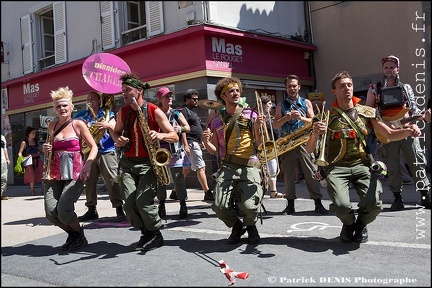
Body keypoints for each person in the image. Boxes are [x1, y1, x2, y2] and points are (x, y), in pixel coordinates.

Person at [306, 71, 421, 243]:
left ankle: (360, 225)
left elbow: (389, 133)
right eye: (342, 86)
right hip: (337, 167)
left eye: (349, 85)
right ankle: (349, 224)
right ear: (334, 91)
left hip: (362, 164)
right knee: (342, 206)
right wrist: (315, 134)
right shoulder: (325, 116)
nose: (347, 89)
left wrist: (408, 131)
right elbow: (309, 149)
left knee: (374, 204)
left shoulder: (367, 112)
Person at [111, 72, 179, 252]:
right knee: (129, 202)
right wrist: (117, 139)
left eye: (127, 90)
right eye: (122, 91)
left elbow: (174, 135)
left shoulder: (153, 110)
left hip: (149, 163)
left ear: (139, 90)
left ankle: (155, 233)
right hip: (127, 163)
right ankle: (146, 233)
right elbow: (115, 132)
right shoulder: (122, 112)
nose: (123, 94)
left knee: (142, 201)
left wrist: (160, 134)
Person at [203, 76, 265, 245]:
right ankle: (237, 226)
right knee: (218, 205)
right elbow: (214, 150)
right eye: (231, 91)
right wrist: (206, 141)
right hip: (228, 166)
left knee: (250, 206)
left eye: (237, 90)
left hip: (249, 165)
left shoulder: (251, 114)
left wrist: (259, 128)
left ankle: (251, 226)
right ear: (223, 96)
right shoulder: (216, 120)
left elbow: (260, 143)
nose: (236, 93)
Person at [366, 55, 431, 210]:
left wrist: (422, 119)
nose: (389, 70)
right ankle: (397, 198)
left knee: (417, 162)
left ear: (398, 69)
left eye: (392, 67)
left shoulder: (406, 88)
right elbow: (369, 111)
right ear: (383, 69)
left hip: (406, 129)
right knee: (392, 166)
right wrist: (381, 125)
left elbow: (413, 110)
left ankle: (425, 196)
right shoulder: (374, 88)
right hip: (386, 132)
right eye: (386, 67)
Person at [43, 86, 98, 251]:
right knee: (51, 212)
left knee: (64, 209)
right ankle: (75, 235)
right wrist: (46, 149)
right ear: (54, 109)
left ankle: (78, 236)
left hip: (76, 172)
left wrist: (88, 163)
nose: (62, 109)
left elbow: (93, 147)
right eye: (58, 106)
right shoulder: (52, 126)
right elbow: (49, 150)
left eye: (65, 105)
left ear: (71, 106)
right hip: (54, 172)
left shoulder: (78, 124)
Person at [273, 74, 328, 215]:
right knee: (288, 173)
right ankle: (290, 203)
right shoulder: (281, 105)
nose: (292, 88)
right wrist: (286, 117)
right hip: (287, 141)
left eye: (294, 86)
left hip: (304, 140)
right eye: (289, 86)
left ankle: (317, 202)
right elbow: (275, 125)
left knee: (310, 171)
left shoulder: (306, 102)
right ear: (286, 88)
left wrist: (300, 117)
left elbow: (314, 121)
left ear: (299, 87)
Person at [74, 91, 126, 222]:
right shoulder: (82, 116)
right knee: (89, 181)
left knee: (112, 180)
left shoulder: (108, 114)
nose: (90, 101)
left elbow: (116, 128)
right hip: (89, 153)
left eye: (92, 99)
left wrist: (107, 125)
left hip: (106, 151)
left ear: (98, 101)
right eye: (88, 99)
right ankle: (91, 209)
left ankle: (119, 208)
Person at [155, 87, 190, 219]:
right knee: (161, 180)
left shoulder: (176, 112)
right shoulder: (155, 112)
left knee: (179, 178)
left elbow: (187, 127)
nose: (169, 98)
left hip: (175, 150)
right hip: (160, 151)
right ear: (160, 99)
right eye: (166, 96)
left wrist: (179, 128)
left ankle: (182, 204)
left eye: (170, 96)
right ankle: (161, 204)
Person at [180, 89, 214, 201]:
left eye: (197, 99)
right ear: (186, 100)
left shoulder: (192, 112)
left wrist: (201, 142)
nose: (196, 101)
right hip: (190, 143)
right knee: (201, 166)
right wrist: (185, 145)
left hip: (195, 143)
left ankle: (176, 191)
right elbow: (183, 128)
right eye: (194, 99)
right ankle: (207, 192)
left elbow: (199, 127)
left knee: (187, 168)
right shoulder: (184, 111)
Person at [259, 95, 284, 198]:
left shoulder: (271, 118)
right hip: (263, 146)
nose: (271, 106)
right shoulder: (260, 117)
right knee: (266, 169)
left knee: (273, 169)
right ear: (264, 105)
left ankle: (273, 191)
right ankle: (268, 190)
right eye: (269, 104)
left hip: (273, 146)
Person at [18, 126, 44, 195]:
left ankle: (44, 189)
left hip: (37, 160)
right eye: (33, 133)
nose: (34, 134)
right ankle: (32, 191)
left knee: (42, 172)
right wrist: (21, 158)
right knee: (31, 175)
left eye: (35, 133)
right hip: (29, 160)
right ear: (28, 134)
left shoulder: (35, 141)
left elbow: (41, 151)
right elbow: (20, 152)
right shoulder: (24, 142)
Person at [1, 133, 10, 200]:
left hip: (3, 161)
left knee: (4, 179)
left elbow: (5, 149)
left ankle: (1, 194)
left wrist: (7, 159)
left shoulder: (2, 137)